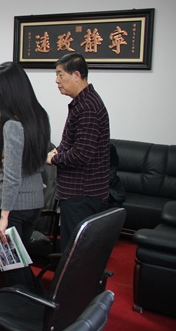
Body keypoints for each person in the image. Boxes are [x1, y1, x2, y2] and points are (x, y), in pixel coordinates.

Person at [0, 62, 51, 287]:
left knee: (12, 268)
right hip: (34, 202)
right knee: (21, 263)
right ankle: (36, 300)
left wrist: (4, 217)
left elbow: (12, 176)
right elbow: (37, 162)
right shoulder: (40, 116)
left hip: (13, 208)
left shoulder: (12, 125)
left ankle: (23, 305)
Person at [46, 52, 110, 252]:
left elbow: (81, 154)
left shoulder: (88, 107)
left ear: (76, 75)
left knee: (75, 250)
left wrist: (55, 159)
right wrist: (59, 149)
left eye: (60, 74)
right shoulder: (82, 102)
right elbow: (74, 141)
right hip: (78, 192)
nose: (57, 81)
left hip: (82, 193)